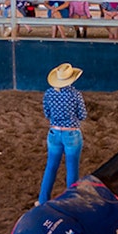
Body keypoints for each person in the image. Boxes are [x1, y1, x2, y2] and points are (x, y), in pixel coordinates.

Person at [38, 63, 88, 206]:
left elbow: (47, 113)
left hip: (54, 133)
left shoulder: (48, 94)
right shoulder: (75, 94)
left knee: (51, 166)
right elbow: (83, 115)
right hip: (71, 134)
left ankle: (42, 200)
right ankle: (71, 201)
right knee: (72, 167)